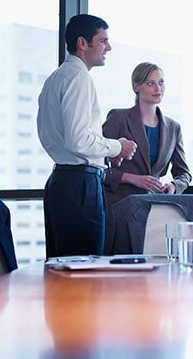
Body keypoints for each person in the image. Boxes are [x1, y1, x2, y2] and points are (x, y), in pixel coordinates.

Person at [37, 14, 137, 258]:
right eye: (103, 41)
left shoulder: (55, 78)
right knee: (85, 270)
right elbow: (78, 139)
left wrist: (101, 155)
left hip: (61, 182)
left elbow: (58, 137)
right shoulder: (79, 77)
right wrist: (117, 147)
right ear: (83, 43)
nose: (108, 47)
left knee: (63, 269)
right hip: (80, 186)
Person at [102, 61, 192, 211]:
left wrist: (173, 186)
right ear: (135, 87)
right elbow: (97, 165)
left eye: (161, 82)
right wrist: (134, 179)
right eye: (151, 83)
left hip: (155, 206)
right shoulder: (119, 117)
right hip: (119, 204)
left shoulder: (174, 128)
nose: (158, 88)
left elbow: (183, 173)